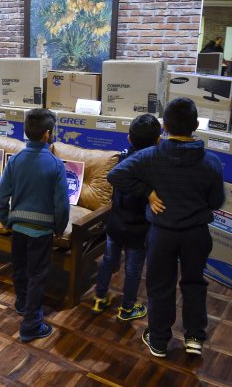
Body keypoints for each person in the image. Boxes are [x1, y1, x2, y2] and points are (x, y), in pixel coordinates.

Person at [107, 97, 225, 358]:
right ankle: (194, 337)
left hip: (162, 234)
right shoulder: (211, 161)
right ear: (195, 125)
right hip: (196, 234)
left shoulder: (151, 155)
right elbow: (217, 201)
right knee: (194, 283)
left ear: (165, 126)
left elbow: (115, 175)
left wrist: (148, 192)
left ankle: (159, 340)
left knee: (160, 286)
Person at [0, 108, 69, 343]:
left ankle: (22, 303)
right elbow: (62, 205)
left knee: (19, 268)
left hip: (17, 229)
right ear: (47, 134)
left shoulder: (15, 160)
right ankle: (31, 325)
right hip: (42, 232)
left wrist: (7, 221)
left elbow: (1, 198)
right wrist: (59, 228)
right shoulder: (56, 165)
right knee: (37, 275)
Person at [92, 114, 161, 321]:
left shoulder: (122, 159)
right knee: (133, 270)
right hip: (139, 229)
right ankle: (128, 308)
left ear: (129, 138)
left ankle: (99, 298)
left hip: (115, 223)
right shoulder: (156, 166)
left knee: (108, 260)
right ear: (158, 140)